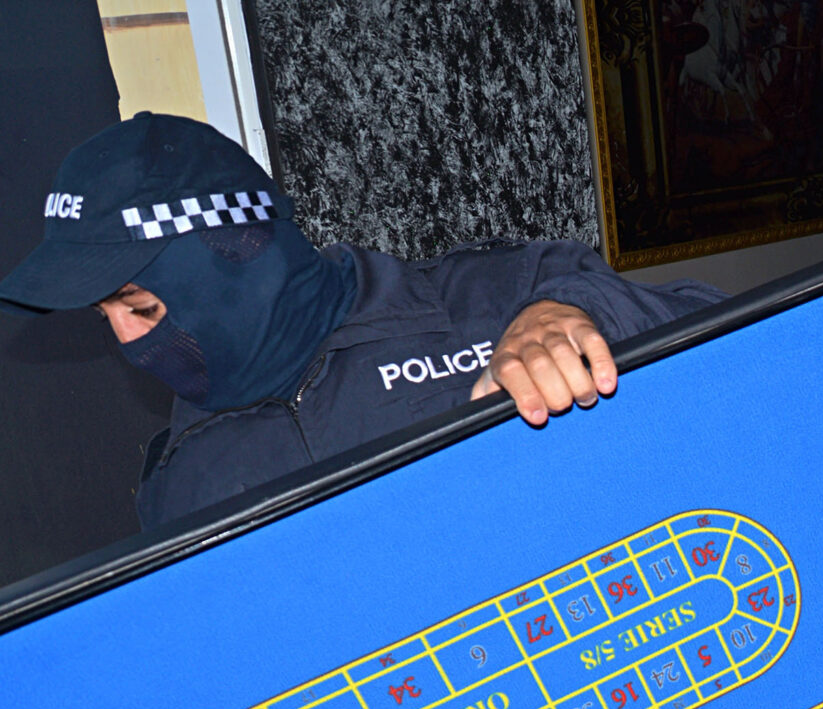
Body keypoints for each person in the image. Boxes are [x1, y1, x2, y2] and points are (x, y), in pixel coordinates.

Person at [0, 113, 725, 531]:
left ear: (235, 251)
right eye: (106, 315)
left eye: (141, 305)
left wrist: (574, 317)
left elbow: (738, 346)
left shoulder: (501, 295)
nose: (127, 340)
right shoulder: (184, 485)